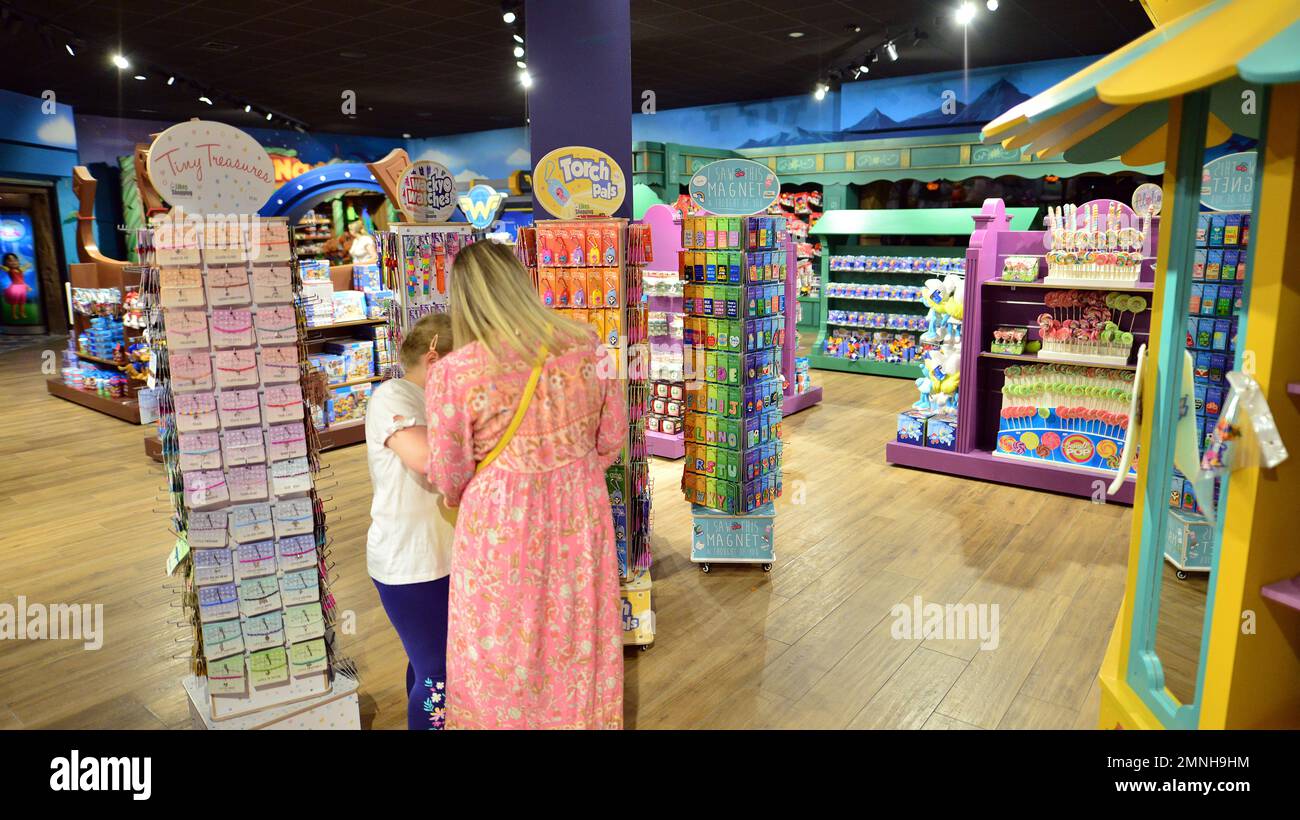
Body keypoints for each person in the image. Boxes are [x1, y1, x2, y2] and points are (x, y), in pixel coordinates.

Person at [425, 240, 628, 730]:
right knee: (578, 631)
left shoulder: (456, 373)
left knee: (501, 640)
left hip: (500, 528)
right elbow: (613, 437)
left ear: (465, 299)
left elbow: (449, 474)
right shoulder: (588, 344)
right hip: (581, 511)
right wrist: (573, 470)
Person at [363, 312, 457, 730]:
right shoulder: (393, 395)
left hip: (445, 557)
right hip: (410, 564)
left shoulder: (441, 401)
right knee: (439, 675)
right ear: (435, 359)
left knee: (430, 663)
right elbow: (426, 460)